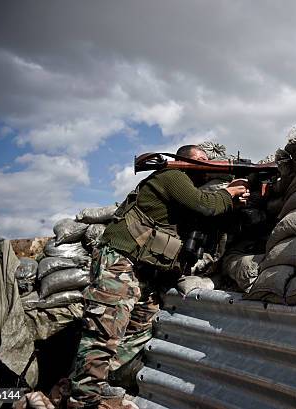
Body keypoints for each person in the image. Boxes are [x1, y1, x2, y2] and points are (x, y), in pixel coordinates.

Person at [68, 145, 249, 409]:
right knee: (105, 328)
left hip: (144, 270)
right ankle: (83, 398)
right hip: (120, 260)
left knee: (140, 327)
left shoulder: (189, 190)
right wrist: (229, 193)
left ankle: (92, 381)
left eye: (208, 160)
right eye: (199, 159)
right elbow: (205, 206)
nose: (206, 163)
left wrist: (233, 204)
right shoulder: (172, 176)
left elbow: (206, 217)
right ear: (183, 161)